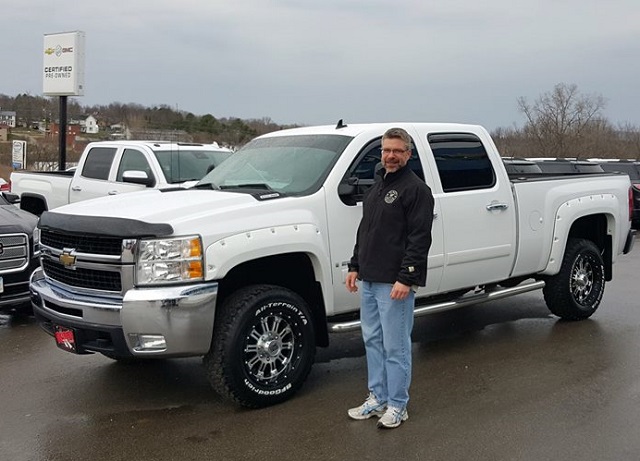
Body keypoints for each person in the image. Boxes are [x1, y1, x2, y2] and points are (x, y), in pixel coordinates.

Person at [346, 127, 434, 429]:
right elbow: (365, 230)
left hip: (394, 284)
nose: (391, 156)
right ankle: (378, 397)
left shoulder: (416, 190)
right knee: (372, 340)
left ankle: (398, 404)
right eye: (386, 150)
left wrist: (406, 278)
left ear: (408, 154)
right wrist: (354, 265)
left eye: (397, 151)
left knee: (395, 346)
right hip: (369, 280)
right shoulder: (377, 185)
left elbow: (420, 239)